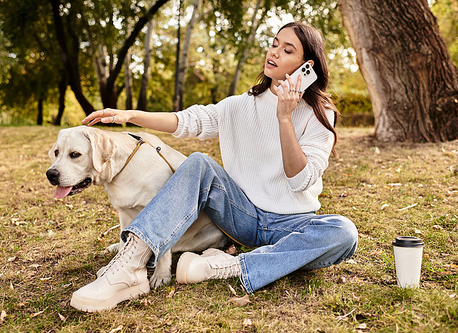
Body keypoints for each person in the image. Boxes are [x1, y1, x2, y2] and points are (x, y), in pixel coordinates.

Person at [72, 21, 358, 312]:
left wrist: (284, 117)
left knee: (343, 232)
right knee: (199, 163)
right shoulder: (240, 105)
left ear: (305, 65)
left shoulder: (320, 115)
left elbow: (299, 181)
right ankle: (130, 265)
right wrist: (130, 115)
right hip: (242, 216)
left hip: (291, 223)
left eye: (287, 50)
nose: (274, 53)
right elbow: (188, 121)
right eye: (274, 44)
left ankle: (227, 267)